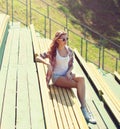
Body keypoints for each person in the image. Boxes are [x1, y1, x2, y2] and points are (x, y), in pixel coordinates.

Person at [35, 30, 96, 124]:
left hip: (66, 74)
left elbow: (71, 65)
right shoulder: (53, 52)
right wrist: (47, 63)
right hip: (57, 77)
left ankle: (83, 107)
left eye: (67, 38)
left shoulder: (69, 51)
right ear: (58, 40)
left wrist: (69, 72)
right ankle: (84, 109)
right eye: (63, 39)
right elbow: (38, 57)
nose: (65, 40)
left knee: (82, 79)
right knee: (77, 85)